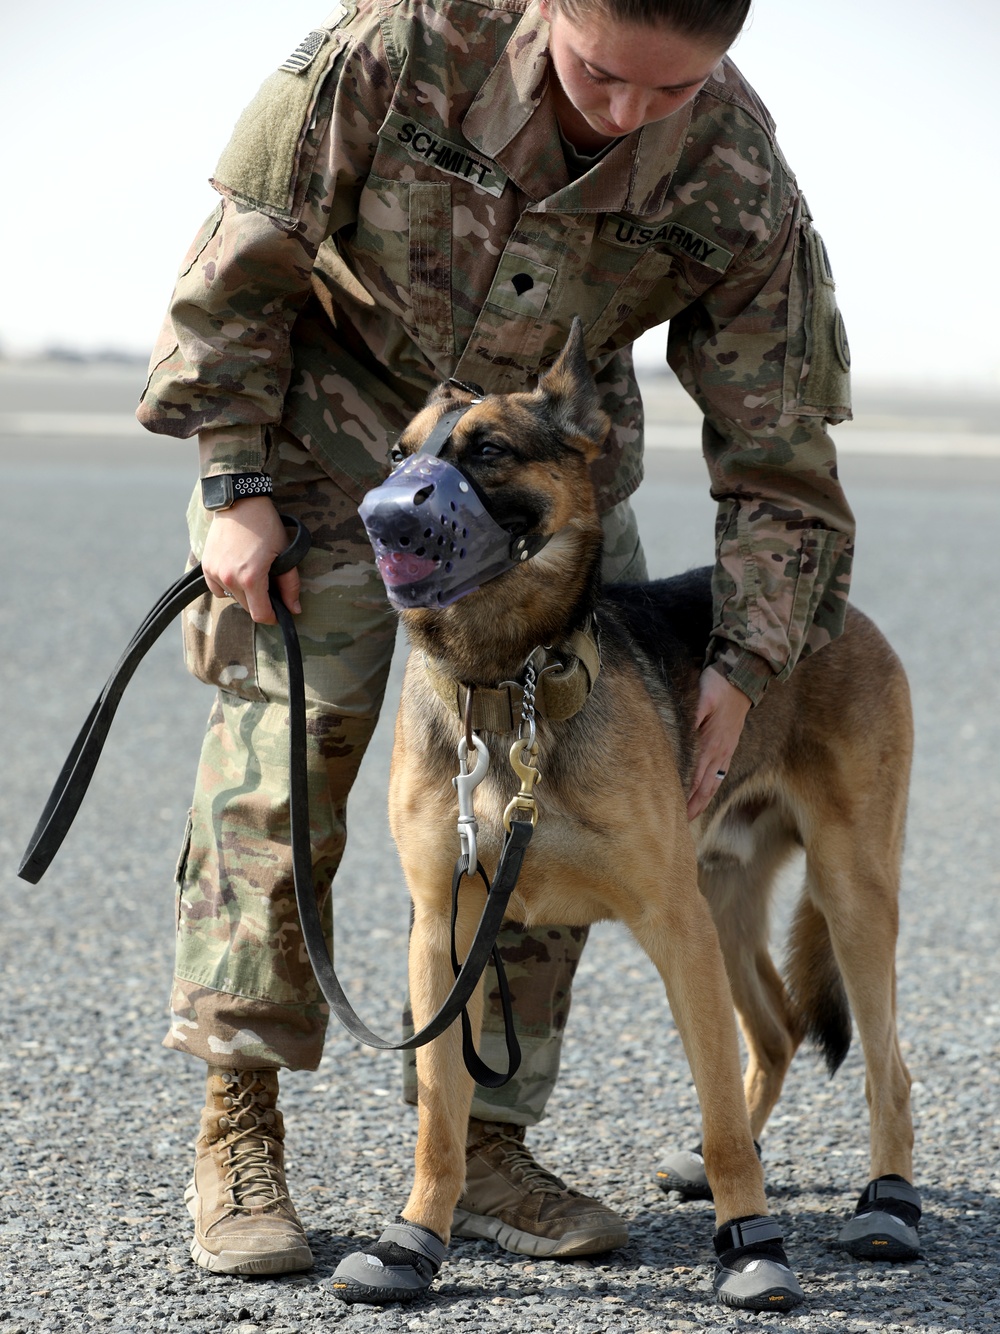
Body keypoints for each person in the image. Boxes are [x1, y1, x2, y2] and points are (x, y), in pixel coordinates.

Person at [137, 0, 854, 1279]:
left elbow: (781, 449)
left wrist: (745, 661)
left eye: (667, 92)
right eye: (597, 72)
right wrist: (233, 477)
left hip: (546, 500)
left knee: (570, 790)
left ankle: (495, 1147)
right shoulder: (403, 46)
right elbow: (237, 268)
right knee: (282, 769)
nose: (625, 113)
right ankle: (239, 1121)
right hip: (339, 452)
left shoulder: (737, 163)